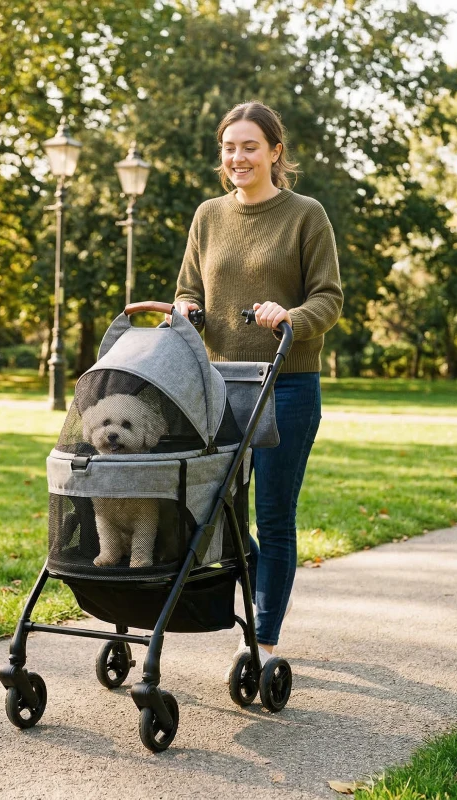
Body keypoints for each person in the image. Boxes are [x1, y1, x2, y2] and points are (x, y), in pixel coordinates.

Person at [170, 101, 343, 674]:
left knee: (272, 515)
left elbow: (329, 298)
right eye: (229, 147)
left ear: (275, 152)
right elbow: (186, 291)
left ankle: (262, 641)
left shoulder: (305, 214)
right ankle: (231, 613)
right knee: (219, 514)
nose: (238, 157)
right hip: (219, 387)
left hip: (285, 385)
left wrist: (290, 314)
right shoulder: (207, 216)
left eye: (249, 146)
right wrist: (188, 311)